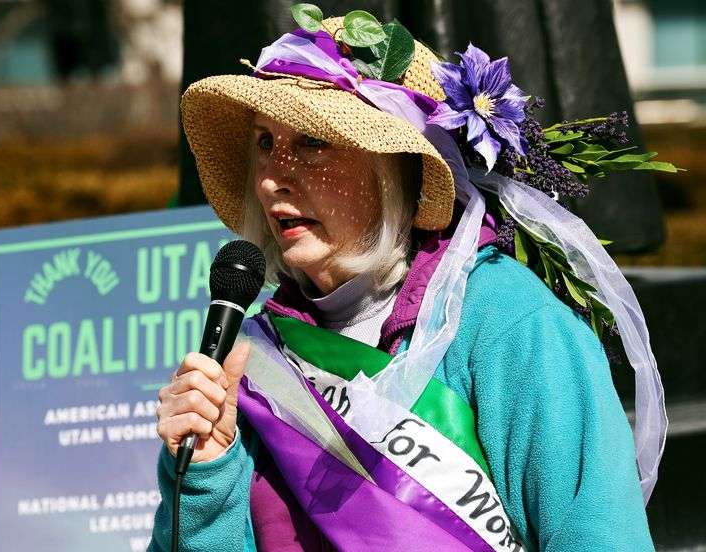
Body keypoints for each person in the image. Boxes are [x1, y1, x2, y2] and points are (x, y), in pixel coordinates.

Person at [149, 14, 661, 552]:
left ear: (393, 168)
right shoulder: (252, 358)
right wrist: (205, 477)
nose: (274, 176)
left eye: (313, 143)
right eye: (263, 142)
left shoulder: (510, 324)